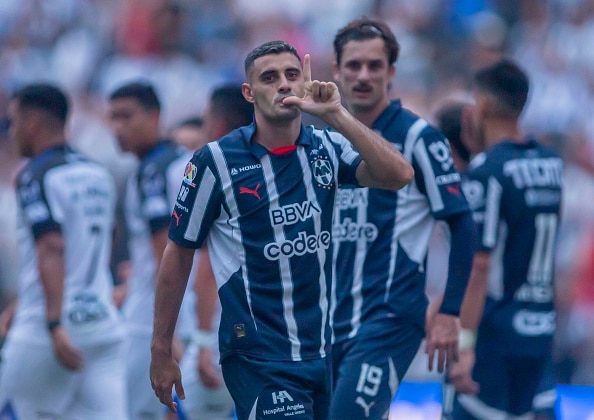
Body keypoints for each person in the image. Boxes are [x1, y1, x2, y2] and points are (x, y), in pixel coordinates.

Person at [149, 40, 414, 419]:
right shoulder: (216, 161)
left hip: (323, 350)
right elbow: (178, 253)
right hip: (258, 356)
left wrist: (336, 114)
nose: (284, 85)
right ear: (249, 92)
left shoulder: (325, 146)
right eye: (269, 78)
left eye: (292, 75)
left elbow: (399, 175)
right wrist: (161, 349)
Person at [329, 17, 475, 419]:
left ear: (391, 73)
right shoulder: (322, 138)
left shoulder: (419, 138)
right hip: (325, 322)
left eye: (375, 66)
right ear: (335, 71)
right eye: (354, 65)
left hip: (389, 318)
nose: (363, 75)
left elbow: (462, 225)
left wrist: (450, 312)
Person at [0, 83, 127, 418]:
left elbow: (52, 247)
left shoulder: (35, 176)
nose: (11, 132)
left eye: (13, 122)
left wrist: (55, 323)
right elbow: (107, 236)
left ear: (32, 124)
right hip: (100, 325)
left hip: (48, 331)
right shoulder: (96, 172)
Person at [449, 59, 563, 419]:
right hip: (540, 328)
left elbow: (479, 265)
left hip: (495, 334)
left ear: (480, 104)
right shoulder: (552, 163)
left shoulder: (488, 172)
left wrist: (465, 346)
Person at [108, 81, 191, 419]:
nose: (118, 128)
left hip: (149, 324)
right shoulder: (185, 162)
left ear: (155, 116)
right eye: (112, 119)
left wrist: (169, 334)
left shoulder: (152, 173)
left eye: (126, 116)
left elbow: (166, 252)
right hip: (187, 319)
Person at [175, 84, 254, 419]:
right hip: (273, 336)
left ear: (218, 123)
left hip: (222, 336)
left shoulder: (212, 171)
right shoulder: (277, 170)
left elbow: (205, 265)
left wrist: (203, 340)